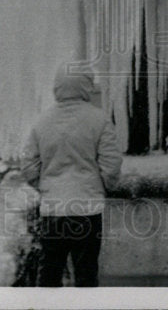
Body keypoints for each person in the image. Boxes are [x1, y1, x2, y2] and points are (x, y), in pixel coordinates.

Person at [21, 67, 122, 287]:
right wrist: (102, 188)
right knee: (86, 275)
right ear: (86, 86)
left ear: (57, 87)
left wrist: (45, 187)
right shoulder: (99, 120)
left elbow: (28, 166)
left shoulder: (41, 122)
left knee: (49, 273)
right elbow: (111, 166)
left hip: (53, 209)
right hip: (87, 208)